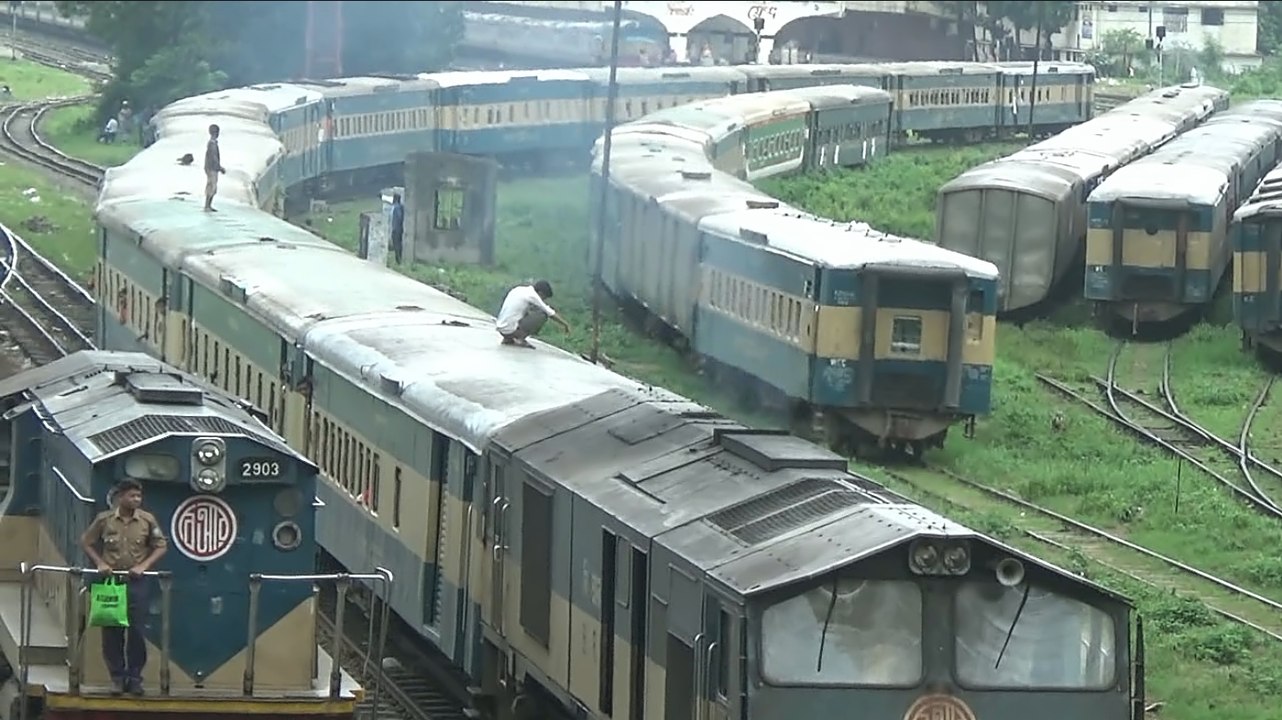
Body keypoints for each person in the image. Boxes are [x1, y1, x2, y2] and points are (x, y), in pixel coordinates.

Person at [79, 480, 168, 697]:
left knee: (137, 631)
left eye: (138, 496)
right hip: (111, 583)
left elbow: (161, 545)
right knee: (111, 633)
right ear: (120, 497)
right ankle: (117, 678)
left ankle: (135, 678)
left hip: (137, 582)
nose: (136, 500)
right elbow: (86, 541)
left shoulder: (147, 520)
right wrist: (100, 563)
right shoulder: (104, 520)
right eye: (132, 496)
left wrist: (143, 566)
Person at [496, 279, 570, 348]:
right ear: (540, 293)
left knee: (529, 310)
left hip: (502, 329)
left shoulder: (519, 289)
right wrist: (565, 324)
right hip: (511, 330)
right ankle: (520, 339)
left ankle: (508, 339)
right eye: (544, 298)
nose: (543, 300)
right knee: (543, 314)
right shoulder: (532, 295)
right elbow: (549, 312)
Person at [203, 123, 226, 212]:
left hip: (210, 168)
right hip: (212, 168)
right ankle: (207, 205)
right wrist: (219, 168)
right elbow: (214, 158)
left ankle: (208, 205)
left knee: (212, 186)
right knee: (212, 186)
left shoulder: (212, 143)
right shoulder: (212, 144)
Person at [389, 193, 405, 264]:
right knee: (396, 244)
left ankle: (398, 260)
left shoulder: (397, 207)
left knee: (397, 244)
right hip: (395, 228)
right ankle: (397, 259)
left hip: (396, 229)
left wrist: (396, 227)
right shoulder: (395, 206)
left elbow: (399, 217)